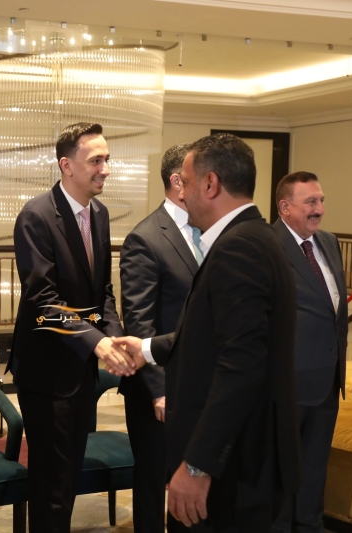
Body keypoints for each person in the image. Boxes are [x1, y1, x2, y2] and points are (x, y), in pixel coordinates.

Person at [113, 133, 300, 532]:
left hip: (232, 468)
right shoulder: (257, 237)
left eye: (185, 182)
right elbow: (214, 338)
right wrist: (147, 348)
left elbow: (241, 366)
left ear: (211, 184)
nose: (181, 193)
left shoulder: (238, 249)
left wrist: (198, 465)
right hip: (244, 459)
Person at [9, 122, 133, 532]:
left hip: (81, 370)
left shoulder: (99, 214)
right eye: (96, 160)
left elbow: (103, 292)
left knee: (69, 480)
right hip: (46, 375)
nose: (105, 169)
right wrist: (97, 342)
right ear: (67, 165)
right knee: (52, 486)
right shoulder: (36, 216)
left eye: (107, 159)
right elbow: (42, 301)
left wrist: (114, 337)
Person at [119, 143, 199, 532]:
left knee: (191, 480)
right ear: (178, 182)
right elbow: (138, 321)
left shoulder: (212, 230)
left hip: (199, 382)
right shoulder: (146, 237)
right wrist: (159, 390)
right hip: (157, 387)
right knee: (154, 481)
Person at [272, 171, 348, 533]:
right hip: (286, 383)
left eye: (321, 200)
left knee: (315, 466)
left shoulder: (329, 242)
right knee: (280, 468)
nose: (319, 209)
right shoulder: (267, 245)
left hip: (328, 379)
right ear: (285, 207)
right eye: (310, 202)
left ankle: (309, 525)